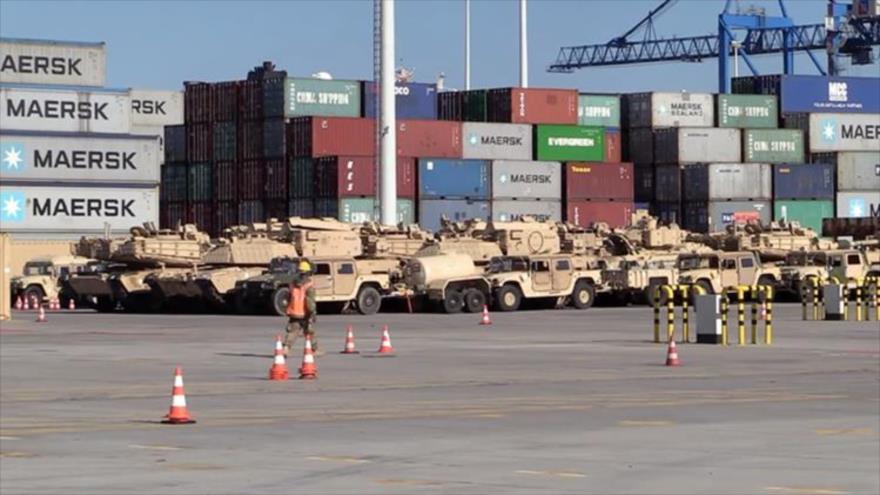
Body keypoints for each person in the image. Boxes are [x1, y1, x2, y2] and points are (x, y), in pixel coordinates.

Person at [283, 259, 318, 356]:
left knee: (293, 331)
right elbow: (310, 302)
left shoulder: (292, 284)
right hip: (304, 313)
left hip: (294, 311)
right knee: (309, 331)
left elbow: (288, 297)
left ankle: (286, 347)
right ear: (308, 272)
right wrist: (313, 313)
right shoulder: (309, 285)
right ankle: (314, 350)